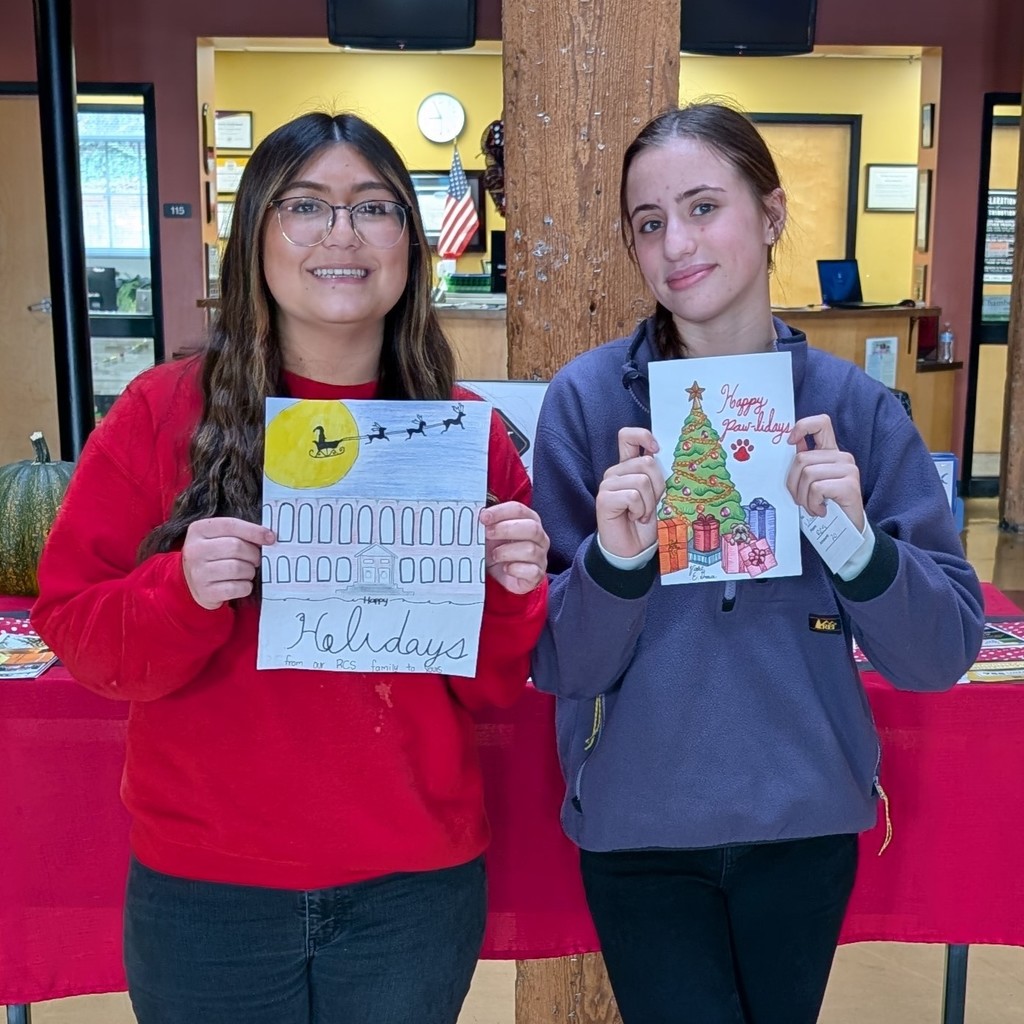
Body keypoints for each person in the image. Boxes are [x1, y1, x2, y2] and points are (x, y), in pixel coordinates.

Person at [32, 111, 549, 1024]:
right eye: (307, 206)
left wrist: (512, 593)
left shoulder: (460, 436)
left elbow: (493, 689)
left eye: (375, 208)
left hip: (411, 891)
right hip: (208, 893)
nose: (342, 234)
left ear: (411, 246)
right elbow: (79, 634)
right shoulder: (161, 412)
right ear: (256, 237)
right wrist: (180, 589)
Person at [529, 102, 983, 1024]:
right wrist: (616, 563)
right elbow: (556, 660)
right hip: (641, 824)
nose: (676, 245)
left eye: (704, 207)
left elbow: (941, 653)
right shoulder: (587, 404)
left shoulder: (850, 410)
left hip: (803, 821)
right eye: (649, 224)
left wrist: (859, 550)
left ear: (771, 215)